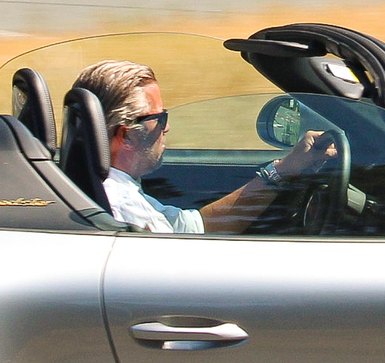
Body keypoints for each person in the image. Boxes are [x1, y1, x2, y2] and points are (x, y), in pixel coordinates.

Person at [70, 59, 337, 235]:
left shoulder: (107, 187)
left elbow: (195, 227)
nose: (167, 128)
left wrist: (284, 169)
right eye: (159, 118)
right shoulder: (122, 206)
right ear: (126, 136)